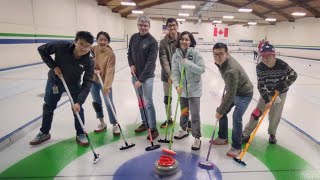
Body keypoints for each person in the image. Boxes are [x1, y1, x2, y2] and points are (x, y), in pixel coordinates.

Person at [30, 31, 95, 146]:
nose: (83, 48)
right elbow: (42, 49)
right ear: (75, 42)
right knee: (48, 106)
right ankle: (44, 132)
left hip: (73, 85)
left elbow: (87, 82)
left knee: (78, 109)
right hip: (55, 81)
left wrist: (79, 101)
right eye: (81, 44)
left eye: (87, 46)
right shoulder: (61, 46)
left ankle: (80, 133)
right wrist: (54, 66)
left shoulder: (89, 61)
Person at [242, 43, 298, 144]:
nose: (265, 59)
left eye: (268, 56)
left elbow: (294, 75)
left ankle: (272, 134)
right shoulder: (260, 67)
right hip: (266, 93)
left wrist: (284, 85)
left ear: (273, 56)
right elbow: (261, 85)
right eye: (263, 56)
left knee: (274, 115)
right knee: (256, 113)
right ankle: (246, 133)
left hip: (280, 94)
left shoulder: (282, 65)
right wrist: (267, 99)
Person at [211, 42, 253, 158]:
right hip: (234, 88)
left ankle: (237, 146)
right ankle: (223, 137)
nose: (218, 57)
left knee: (236, 117)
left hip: (244, 93)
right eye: (215, 54)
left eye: (221, 54)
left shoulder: (231, 70)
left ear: (227, 54)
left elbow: (231, 94)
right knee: (222, 111)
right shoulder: (223, 62)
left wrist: (220, 111)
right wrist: (221, 110)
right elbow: (230, 89)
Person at [171, 31, 205, 150]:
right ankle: (183, 129)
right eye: (182, 39)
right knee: (184, 111)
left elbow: (201, 70)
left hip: (194, 89)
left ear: (191, 42)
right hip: (183, 90)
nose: (184, 41)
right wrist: (176, 86)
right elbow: (174, 72)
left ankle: (197, 137)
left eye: (187, 39)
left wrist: (188, 63)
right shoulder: (176, 55)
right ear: (179, 40)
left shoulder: (196, 53)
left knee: (195, 113)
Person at [127, 15, 159, 140]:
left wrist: (141, 80)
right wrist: (131, 65)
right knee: (140, 101)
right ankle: (145, 123)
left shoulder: (152, 42)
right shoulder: (134, 38)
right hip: (135, 76)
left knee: (148, 102)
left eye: (145, 26)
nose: (143, 28)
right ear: (138, 25)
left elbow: (151, 64)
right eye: (141, 25)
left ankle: (153, 128)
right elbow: (129, 53)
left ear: (149, 27)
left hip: (146, 78)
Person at [90, 31, 120, 135]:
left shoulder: (110, 54)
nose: (102, 42)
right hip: (93, 80)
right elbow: (87, 61)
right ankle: (102, 122)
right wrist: (92, 67)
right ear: (97, 40)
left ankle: (115, 124)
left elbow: (110, 70)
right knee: (96, 102)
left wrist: (107, 86)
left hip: (105, 81)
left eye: (105, 40)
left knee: (109, 103)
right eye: (100, 39)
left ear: (108, 41)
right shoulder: (92, 49)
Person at [159, 18, 180, 128]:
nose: (172, 27)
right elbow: (164, 60)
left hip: (181, 75)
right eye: (170, 25)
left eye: (174, 25)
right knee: (168, 97)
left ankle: (186, 120)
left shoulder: (183, 38)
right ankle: (169, 118)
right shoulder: (163, 43)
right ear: (167, 28)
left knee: (184, 99)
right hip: (167, 76)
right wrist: (170, 74)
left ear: (177, 26)